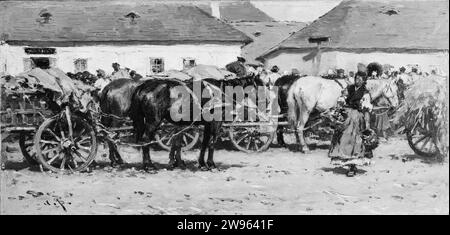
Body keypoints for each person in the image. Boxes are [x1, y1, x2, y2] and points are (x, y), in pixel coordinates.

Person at [328, 71, 376, 177]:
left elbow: (366, 110)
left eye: (360, 79)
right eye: (356, 78)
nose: (357, 80)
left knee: (356, 141)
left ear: (364, 81)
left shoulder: (365, 92)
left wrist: (367, 125)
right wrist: (339, 107)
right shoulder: (349, 88)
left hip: (358, 118)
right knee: (343, 139)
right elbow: (341, 100)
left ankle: (353, 166)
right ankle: (346, 162)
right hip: (346, 116)